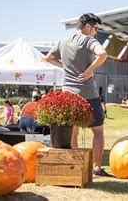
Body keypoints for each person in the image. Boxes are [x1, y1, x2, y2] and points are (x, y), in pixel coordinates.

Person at [45, 13, 109, 177]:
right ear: (88, 27)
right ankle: (96, 168)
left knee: (72, 132)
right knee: (98, 131)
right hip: (88, 93)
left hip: (68, 95)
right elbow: (103, 54)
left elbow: (49, 58)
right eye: (96, 29)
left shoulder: (63, 42)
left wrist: (65, 67)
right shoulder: (89, 40)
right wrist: (90, 70)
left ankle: (77, 166)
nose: (96, 32)